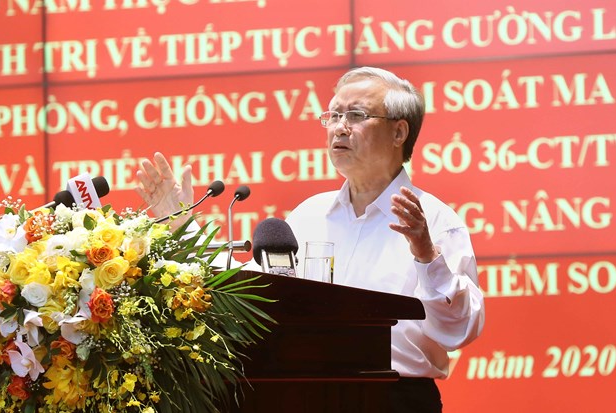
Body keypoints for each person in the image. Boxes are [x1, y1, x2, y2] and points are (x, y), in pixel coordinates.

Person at [136, 66, 485, 413]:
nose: (339, 127)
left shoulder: (435, 221)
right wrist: (182, 225)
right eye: (333, 115)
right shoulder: (310, 215)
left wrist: (427, 256)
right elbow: (250, 291)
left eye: (356, 115)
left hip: (392, 399)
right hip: (300, 395)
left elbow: (459, 330)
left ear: (399, 132)